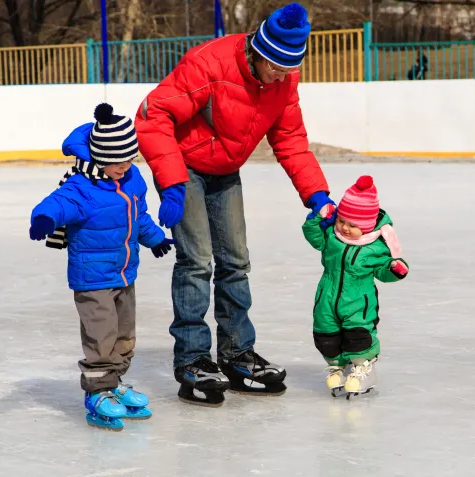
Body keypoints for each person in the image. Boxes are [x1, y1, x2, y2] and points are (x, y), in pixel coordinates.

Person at [134, 1, 335, 406]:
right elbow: (153, 115)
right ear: (259, 53)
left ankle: (236, 352)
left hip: (225, 170)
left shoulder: (283, 81)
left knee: (236, 260)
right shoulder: (209, 64)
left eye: (289, 68)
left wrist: (317, 196)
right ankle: (192, 358)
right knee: (196, 260)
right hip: (184, 166)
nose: (282, 75)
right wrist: (172, 183)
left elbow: (291, 139)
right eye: (275, 67)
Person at [29, 103, 176, 431]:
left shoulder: (132, 179)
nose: (124, 166)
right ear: (100, 157)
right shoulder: (82, 186)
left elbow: (139, 217)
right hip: (92, 277)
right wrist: (43, 219)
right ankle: (97, 391)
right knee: (101, 334)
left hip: (124, 272)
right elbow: (56, 203)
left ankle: (114, 383)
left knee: (124, 334)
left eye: (129, 158)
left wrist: (155, 240)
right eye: (116, 161)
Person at [301, 176, 409, 398]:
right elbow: (314, 237)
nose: (345, 228)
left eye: (353, 225)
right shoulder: (332, 236)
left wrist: (394, 269)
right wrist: (315, 219)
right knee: (325, 334)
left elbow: (382, 269)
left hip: (358, 301)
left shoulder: (375, 247)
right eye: (342, 221)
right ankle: (336, 366)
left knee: (358, 336)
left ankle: (363, 369)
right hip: (326, 298)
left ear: (367, 226)